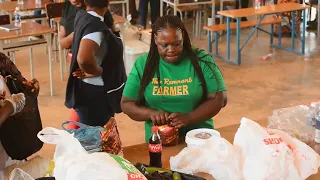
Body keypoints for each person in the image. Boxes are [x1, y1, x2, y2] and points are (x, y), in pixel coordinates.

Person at [121, 15, 227, 142]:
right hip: (159, 141)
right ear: (155, 40)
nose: (171, 50)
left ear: (182, 37)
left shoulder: (202, 59)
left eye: (176, 44)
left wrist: (189, 118)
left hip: (199, 139)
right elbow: (126, 104)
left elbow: (220, 99)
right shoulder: (143, 64)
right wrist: (151, 114)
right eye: (164, 45)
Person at [65, 0, 126, 126]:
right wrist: (98, 70)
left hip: (90, 91)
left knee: (100, 136)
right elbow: (84, 58)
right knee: (96, 140)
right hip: (95, 94)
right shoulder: (95, 28)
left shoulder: (84, 16)